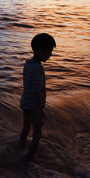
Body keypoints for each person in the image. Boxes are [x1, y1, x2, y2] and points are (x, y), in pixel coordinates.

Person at [19, 33, 56, 161]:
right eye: (49, 51)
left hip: (25, 103)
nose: (50, 55)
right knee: (37, 135)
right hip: (34, 106)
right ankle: (30, 158)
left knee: (25, 130)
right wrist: (40, 110)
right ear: (40, 50)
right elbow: (36, 91)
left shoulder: (28, 64)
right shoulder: (38, 68)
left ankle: (20, 149)